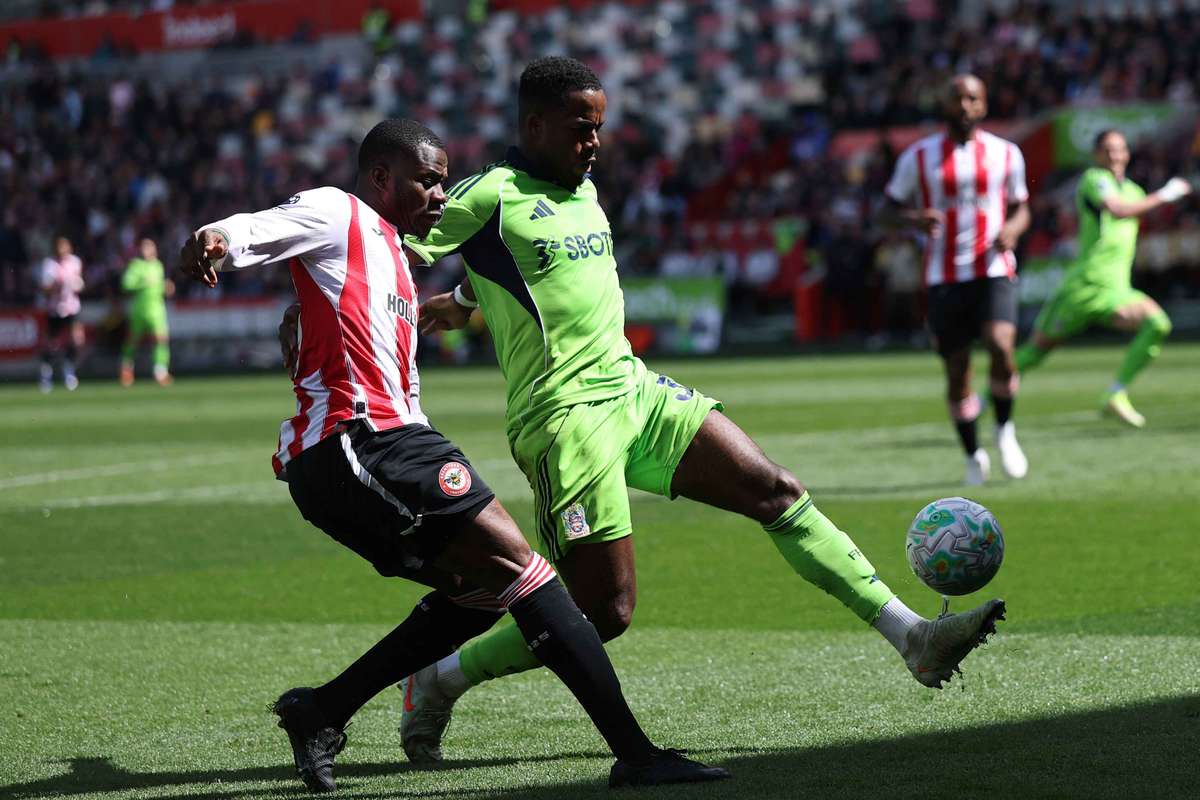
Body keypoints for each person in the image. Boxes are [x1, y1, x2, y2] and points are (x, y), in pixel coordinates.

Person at [379, 57, 1005, 763]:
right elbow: (382, 242)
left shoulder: (584, 190)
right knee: (602, 613)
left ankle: (913, 637)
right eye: (581, 128)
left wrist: (465, 300)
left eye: (599, 127)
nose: (594, 142)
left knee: (776, 490)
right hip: (565, 421)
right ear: (535, 125)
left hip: (635, 392)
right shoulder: (487, 194)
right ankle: (439, 678)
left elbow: (530, 269)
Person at [179, 118, 728, 793]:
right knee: (526, 572)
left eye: (443, 182)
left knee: (484, 592)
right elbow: (256, 228)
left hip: (375, 447)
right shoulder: (338, 211)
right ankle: (637, 756)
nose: (441, 195)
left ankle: (321, 711)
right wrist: (215, 239)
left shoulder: (394, 256)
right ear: (381, 177)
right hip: (362, 441)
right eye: (427, 181)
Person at [881, 74, 1032, 486]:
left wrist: (1013, 229)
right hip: (943, 277)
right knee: (957, 371)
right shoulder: (918, 157)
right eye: (957, 98)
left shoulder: (1006, 153)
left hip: (993, 268)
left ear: (984, 106)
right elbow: (885, 212)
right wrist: (914, 218)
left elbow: (1021, 207)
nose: (965, 106)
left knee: (1001, 345)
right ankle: (972, 455)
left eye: (972, 98)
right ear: (944, 105)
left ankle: (1004, 430)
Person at [1015, 129, 1191, 427]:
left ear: (1127, 154)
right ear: (1097, 154)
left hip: (1117, 289)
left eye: (1120, 149)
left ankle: (1116, 393)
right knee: (1035, 352)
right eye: (1108, 149)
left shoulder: (1135, 191)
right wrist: (1166, 194)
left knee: (1157, 324)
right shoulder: (1094, 179)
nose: (1115, 155)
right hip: (1084, 286)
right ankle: (981, 399)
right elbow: (1119, 211)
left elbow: (1138, 212)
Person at [120, 238, 173, 387]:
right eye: (144, 248)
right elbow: (126, 284)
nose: (146, 250)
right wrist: (143, 282)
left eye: (149, 247)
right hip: (140, 310)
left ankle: (160, 372)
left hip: (157, 310)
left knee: (161, 340)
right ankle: (126, 369)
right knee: (132, 341)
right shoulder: (136, 265)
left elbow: (159, 286)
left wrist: (166, 287)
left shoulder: (158, 266)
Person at [38, 236, 85, 392]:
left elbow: (79, 284)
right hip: (55, 308)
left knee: (75, 340)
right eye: (59, 247)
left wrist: (78, 285)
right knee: (51, 344)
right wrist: (54, 286)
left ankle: (69, 372)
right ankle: (46, 374)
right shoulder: (49, 264)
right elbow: (45, 288)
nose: (62, 250)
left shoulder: (75, 262)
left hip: (71, 307)